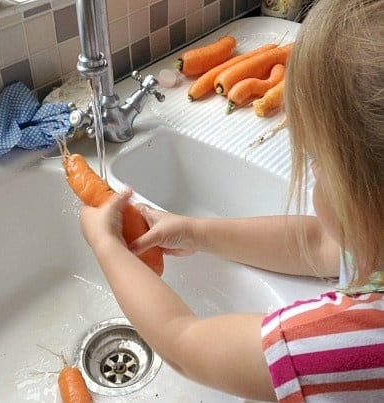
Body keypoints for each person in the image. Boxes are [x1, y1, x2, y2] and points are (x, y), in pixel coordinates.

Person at [79, 0, 384, 401]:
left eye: (317, 161)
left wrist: (106, 246)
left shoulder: (351, 342)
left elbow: (185, 345)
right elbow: (321, 244)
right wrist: (197, 232)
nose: (311, 174)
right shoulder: (372, 244)